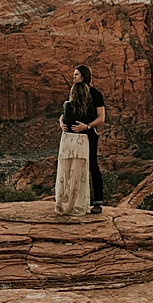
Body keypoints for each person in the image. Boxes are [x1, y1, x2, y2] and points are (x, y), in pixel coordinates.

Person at [59, 65, 106, 214]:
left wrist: (87, 126)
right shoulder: (74, 92)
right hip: (72, 137)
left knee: (92, 165)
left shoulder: (95, 94)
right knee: (72, 167)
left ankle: (98, 202)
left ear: (84, 76)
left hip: (89, 135)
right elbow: (67, 111)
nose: (73, 77)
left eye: (76, 74)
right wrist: (61, 121)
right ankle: (72, 201)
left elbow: (101, 118)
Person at [55, 82, 95, 216]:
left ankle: (60, 204)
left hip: (67, 140)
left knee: (64, 174)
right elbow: (93, 121)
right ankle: (73, 206)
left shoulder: (67, 105)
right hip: (81, 141)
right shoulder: (89, 108)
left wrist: (61, 121)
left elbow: (65, 117)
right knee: (78, 176)